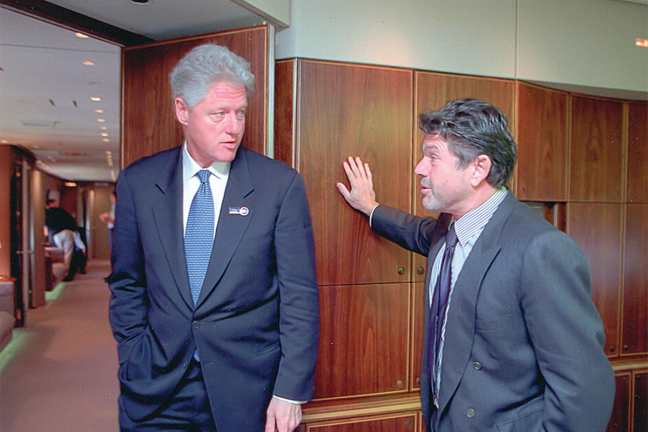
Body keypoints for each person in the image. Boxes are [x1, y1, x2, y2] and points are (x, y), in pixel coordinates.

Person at [336, 98, 614, 432]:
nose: (419, 168)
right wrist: (370, 207)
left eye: (433, 157)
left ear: (478, 169)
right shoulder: (445, 232)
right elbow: (414, 231)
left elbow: (581, 392)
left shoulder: (541, 249)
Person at [109, 43, 319, 432]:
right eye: (219, 114)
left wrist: (289, 392)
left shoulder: (279, 185)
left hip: (248, 390)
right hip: (156, 385)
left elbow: (299, 296)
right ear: (182, 111)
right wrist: (132, 352)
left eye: (240, 113)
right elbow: (127, 281)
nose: (234, 127)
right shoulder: (139, 182)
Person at [45, 198, 86, 282]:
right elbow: (71, 223)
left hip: (56, 235)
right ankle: (67, 272)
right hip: (66, 233)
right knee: (68, 254)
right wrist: (83, 247)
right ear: (51, 203)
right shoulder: (61, 211)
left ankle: (64, 272)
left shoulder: (46, 214)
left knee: (61, 252)